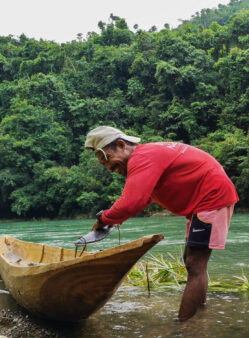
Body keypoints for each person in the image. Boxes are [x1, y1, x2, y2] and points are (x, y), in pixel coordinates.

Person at [84, 126, 239, 321]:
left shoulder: (142, 158)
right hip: (204, 201)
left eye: (107, 160)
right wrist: (115, 219)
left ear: (122, 145)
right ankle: (198, 318)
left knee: (195, 264)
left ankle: (186, 327)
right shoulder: (146, 156)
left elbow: (132, 203)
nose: (109, 168)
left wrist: (103, 219)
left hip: (211, 198)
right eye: (103, 164)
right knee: (192, 261)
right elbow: (144, 198)